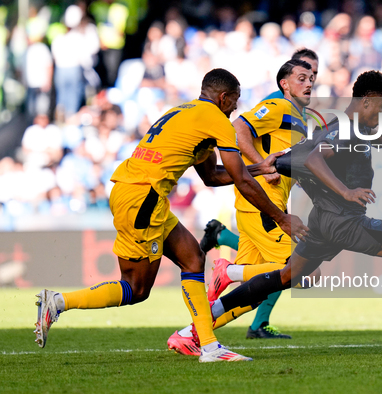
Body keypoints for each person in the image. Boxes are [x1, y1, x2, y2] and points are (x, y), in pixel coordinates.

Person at [34, 68, 308, 363]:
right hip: (143, 198)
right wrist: (282, 217)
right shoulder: (217, 120)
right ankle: (59, 302)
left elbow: (212, 177)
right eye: (236, 100)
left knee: (192, 257)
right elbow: (240, 181)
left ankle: (210, 347)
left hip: (135, 191)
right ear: (224, 97)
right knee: (136, 288)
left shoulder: (185, 111)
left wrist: (260, 167)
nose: (237, 107)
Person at [202, 70, 382, 356]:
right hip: (345, 221)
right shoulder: (346, 130)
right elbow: (314, 157)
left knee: (285, 277)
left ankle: (200, 324)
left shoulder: (352, 128)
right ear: (367, 101)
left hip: (324, 222)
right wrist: (346, 192)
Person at [167, 58, 316, 355]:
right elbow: (238, 126)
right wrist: (261, 166)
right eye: (302, 77)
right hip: (262, 203)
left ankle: (190, 334)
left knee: (260, 290)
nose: (309, 82)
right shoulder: (278, 107)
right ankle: (230, 271)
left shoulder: (300, 118)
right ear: (283, 84)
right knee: (305, 273)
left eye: (312, 77)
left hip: (267, 201)